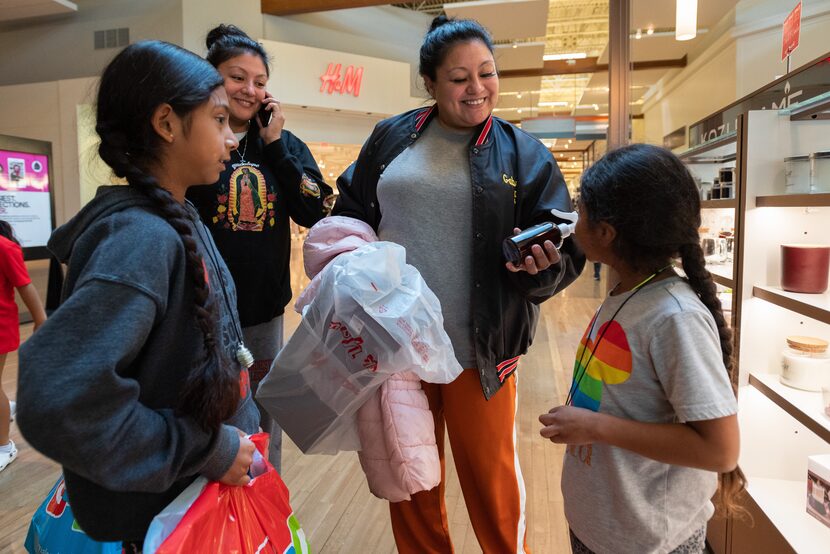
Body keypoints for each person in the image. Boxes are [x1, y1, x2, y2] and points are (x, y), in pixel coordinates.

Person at [333, 16, 585, 553]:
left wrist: (540, 267)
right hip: (396, 349)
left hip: (479, 350)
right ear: (429, 82)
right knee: (411, 485)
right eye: (459, 78)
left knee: (492, 489)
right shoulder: (390, 138)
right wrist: (347, 263)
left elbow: (569, 244)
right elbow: (350, 211)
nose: (477, 89)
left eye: (487, 73)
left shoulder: (523, 153)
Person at [16, 41, 260, 549]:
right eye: (218, 120)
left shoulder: (176, 217)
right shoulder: (140, 240)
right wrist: (205, 449)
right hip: (163, 519)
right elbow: (60, 400)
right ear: (167, 124)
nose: (232, 139)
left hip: (190, 505)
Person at [539, 144, 744, 554]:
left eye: (581, 209)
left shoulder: (674, 316)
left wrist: (594, 427)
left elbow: (721, 450)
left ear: (606, 232)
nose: (573, 221)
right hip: (604, 527)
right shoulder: (629, 291)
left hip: (649, 541)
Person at [187, 25, 332, 470]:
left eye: (260, 82)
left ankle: (266, 505)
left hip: (263, 315)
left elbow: (315, 209)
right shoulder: (193, 141)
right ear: (210, 79)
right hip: (200, 312)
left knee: (263, 416)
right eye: (237, 77)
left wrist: (275, 147)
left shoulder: (282, 144)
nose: (250, 90)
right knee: (206, 415)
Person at [0, 219, 46, 472]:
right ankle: (6, 409)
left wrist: (40, 319)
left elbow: (24, 285)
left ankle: (5, 447)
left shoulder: (5, 247)